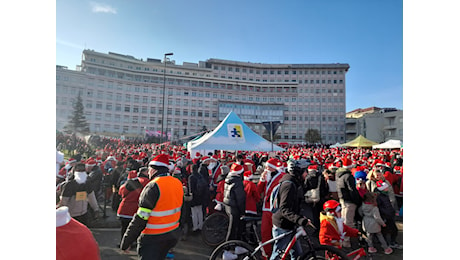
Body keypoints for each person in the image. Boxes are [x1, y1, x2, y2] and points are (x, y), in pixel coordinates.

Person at [120, 154, 184, 260]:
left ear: (153, 170)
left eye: (149, 169)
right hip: (171, 235)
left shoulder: (153, 186)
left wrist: (126, 242)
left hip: (153, 239)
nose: (148, 172)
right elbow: (181, 209)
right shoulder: (177, 183)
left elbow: (141, 217)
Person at [271, 161, 311, 260]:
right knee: (277, 255)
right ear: (298, 172)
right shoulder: (289, 186)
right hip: (283, 225)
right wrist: (299, 220)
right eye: (305, 171)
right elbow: (284, 208)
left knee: (297, 254)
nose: (307, 174)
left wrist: (299, 217)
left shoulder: (294, 183)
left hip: (290, 223)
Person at [257, 158, 285, 259]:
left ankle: (278, 255)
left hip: (276, 210)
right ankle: (266, 255)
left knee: (278, 234)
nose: (265, 169)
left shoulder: (281, 177)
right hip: (266, 209)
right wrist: (261, 180)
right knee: (265, 233)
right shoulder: (266, 177)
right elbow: (258, 191)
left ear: (272, 168)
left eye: (267, 167)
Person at [221, 163, 247, 259]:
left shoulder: (228, 179)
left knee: (233, 228)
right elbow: (240, 199)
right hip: (235, 208)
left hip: (229, 206)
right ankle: (226, 251)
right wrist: (243, 211)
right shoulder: (237, 182)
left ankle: (235, 247)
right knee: (233, 229)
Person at [336, 158, 362, 248]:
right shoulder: (348, 176)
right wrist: (357, 201)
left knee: (344, 221)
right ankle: (346, 242)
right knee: (348, 222)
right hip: (349, 201)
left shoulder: (339, 174)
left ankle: (343, 239)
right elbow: (352, 190)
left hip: (343, 199)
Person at [117, 170, 144, 248]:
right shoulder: (141, 188)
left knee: (124, 228)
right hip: (134, 210)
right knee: (133, 228)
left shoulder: (124, 187)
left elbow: (120, 194)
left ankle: (123, 243)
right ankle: (132, 243)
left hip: (123, 210)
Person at [375, 180, 403, 250]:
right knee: (391, 231)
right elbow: (380, 208)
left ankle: (389, 243)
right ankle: (390, 243)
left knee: (391, 230)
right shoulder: (380, 197)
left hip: (389, 216)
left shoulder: (384, 196)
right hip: (386, 217)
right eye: (386, 188)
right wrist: (388, 214)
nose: (387, 189)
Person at [188, 163, 206, 232]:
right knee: (200, 211)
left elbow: (191, 189)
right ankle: (200, 226)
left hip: (194, 197)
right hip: (200, 196)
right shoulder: (200, 176)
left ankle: (195, 227)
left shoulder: (191, 177)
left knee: (194, 212)